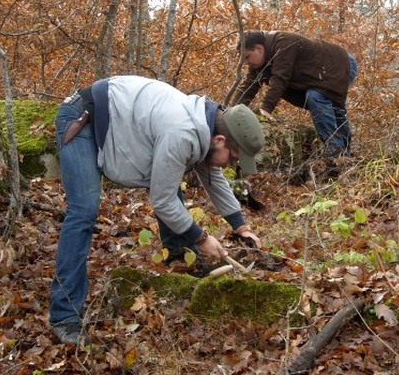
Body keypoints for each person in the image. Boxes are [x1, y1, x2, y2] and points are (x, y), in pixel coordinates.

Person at [50, 75, 265, 344]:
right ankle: (64, 315)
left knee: (169, 175)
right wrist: (200, 238)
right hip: (82, 117)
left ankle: (177, 257)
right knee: (83, 211)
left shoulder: (204, 127)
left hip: (118, 119)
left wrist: (241, 226)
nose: (229, 166)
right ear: (220, 139)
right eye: (233, 158)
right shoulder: (183, 132)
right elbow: (162, 200)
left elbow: (212, 177)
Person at [232, 30, 358, 157]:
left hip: (340, 63)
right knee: (322, 99)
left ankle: (336, 150)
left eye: (247, 57)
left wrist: (266, 109)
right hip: (319, 75)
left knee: (318, 97)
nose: (246, 62)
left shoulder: (284, 43)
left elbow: (280, 78)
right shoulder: (259, 63)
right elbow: (248, 87)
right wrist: (232, 112)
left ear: (259, 49)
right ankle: (342, 151)